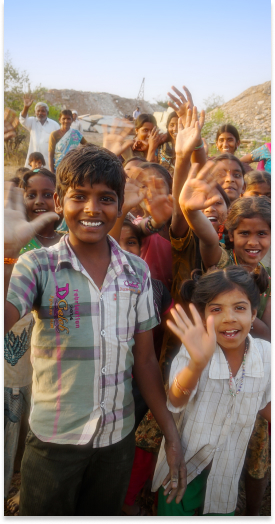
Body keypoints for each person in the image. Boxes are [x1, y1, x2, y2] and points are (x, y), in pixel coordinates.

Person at [4, 144, 186, 517]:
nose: (92, 209)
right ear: (59, 201)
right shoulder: (37, 266)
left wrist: (170, 430)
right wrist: (6, 254)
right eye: (79, 197)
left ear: (120, 206)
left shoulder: (136, 272)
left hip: (115, 441)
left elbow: (146, 362)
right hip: (53, 441)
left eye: (105, 198)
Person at [152, 265, 271, 516]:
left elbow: (266, 404)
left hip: (225, 473)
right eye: (216, 309)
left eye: (239, 307)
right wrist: (196, 364)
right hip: (183, 468)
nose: (229, 318)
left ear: (254, 314)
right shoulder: (193, 352)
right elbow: (175, 398)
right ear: (202, 315)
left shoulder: (266, 355)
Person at [5, 168, 62, 515]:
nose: (40, 201)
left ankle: (26, 487)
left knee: (37, 432)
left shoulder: (72, 241)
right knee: (11, 423)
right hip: (15, 359)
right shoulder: (12, 239)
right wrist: (8, 253)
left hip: (55, 360)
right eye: (32, 194)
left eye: (47, 194)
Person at [118, 218, 174, 516]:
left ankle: (128, 492)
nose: (125, 250)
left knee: (133, 437)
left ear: (143, 248)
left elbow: (173, 322)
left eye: (132, 243)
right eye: (120, 241)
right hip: (109, 379)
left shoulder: (154, 287)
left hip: (143, 380)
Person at [178, 164, 271, 341]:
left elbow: (267, 335)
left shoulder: (269, 277)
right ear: (231, 234)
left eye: (262, 234)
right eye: (244, 233)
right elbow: (208, 239)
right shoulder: (222, 261)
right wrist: (189, 210)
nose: (253, 242)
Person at [19, 97, 60, 169]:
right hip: (33, 161)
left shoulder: (55, 125)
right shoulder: (32, 121)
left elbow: (60, 142)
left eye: (43, 111)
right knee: (32, 178)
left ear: (47, 113)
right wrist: (26, 107)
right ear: (35, 112)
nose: (40, 113)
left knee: (47, 178)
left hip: (48, 161)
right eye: (38, 111)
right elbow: (23, 120)